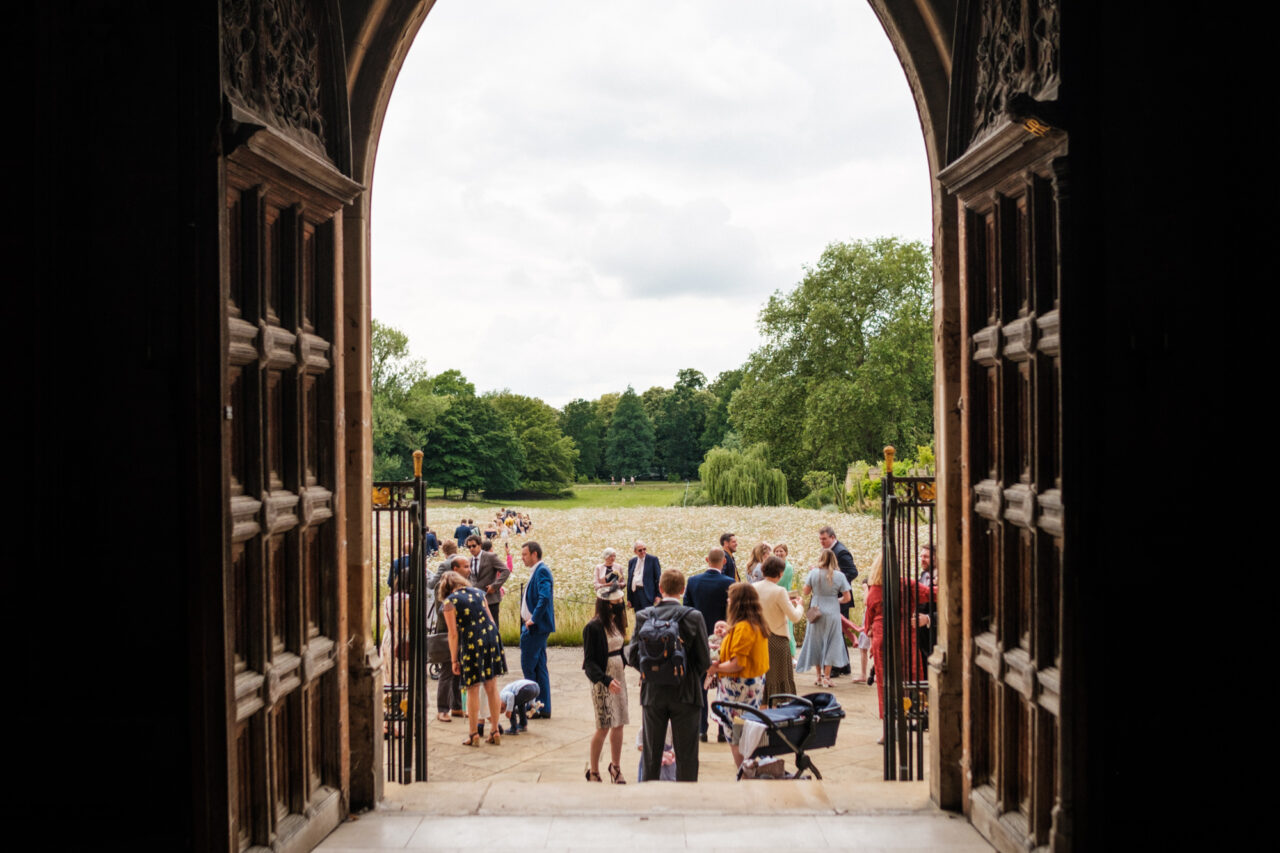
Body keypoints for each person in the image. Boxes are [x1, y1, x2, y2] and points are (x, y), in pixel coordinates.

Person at [628, 569, 710, 782]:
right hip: (686, 693)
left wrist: (650, 673)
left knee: (651, 755)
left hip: (653, 692)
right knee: (687, 756)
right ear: (683, 590)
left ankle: (650, 797)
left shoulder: (644, 615)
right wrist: (685, 675)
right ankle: (684, 801)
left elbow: (632, 655)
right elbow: (704, 660)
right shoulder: (694, 617)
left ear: (660, 589)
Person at [438, 570, 507, 746]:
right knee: (492, 686)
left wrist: (454, 659)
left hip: (471, 640)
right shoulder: (478, 592)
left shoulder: (449, 602)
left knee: (472, 688)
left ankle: (474, 734)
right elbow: (491, 620)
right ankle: (495, 731)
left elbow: (453, 635)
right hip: (491, 636)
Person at [705, 582, 769, 767]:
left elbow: (737, 664)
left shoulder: (743, 627)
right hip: (752, 685)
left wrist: (716, 668)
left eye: (731, 597)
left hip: (739, 688)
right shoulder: (756, 623)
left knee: (736, 734)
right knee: (745, 730)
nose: (727, 600)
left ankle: (744, 772)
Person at [683, 547, 733, 742]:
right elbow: (733, 613)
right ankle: (722, 729)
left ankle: (702, 728)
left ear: (706, 560)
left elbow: (687, 610)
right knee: (723, 686)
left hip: (699, 638)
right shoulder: (729, 583)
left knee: (700, 685)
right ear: (724, 562)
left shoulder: (693, 582)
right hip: (724, 640)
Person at [583, 592, 630, 783]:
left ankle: (615, 766)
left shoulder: (617, 622)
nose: (620, 605)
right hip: (603, 680)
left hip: (619, 677)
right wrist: (605, 679)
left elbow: (621, 650)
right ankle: (593, 770)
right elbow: (590, 662)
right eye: (616, 602)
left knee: (619, 723)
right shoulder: (593, 627)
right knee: (603, 725)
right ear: (605, 604)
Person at [795, 549, 853, 688]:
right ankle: (827, 676)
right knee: (832, 642)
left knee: (816, 642)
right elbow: (847, 598)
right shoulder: (839, 576)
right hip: (832, 611)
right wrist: (834, 600)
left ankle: (818, 676)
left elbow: (806, 591)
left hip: (816, 610)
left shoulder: (814, 573)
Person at [753, 555, 804, 703]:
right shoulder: (779, 591)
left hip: (758, 638)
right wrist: (799, 605)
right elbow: (794, 617)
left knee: (763, 679)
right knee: (780, 681)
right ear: (780, 573)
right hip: (777, 640)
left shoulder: (752, 587)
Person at [519, 541, 555, 719]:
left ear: (534, 554)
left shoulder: (541, 570)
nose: (522, 558)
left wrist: (533, 619)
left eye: (525, 554)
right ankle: (543, 707)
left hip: (535, 627)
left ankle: (532, 706)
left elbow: (545, 596)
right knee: (540, 667)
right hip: (535, 626)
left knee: (528, 667)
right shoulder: (538, 571)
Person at [434, 553, 471, 722]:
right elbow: (445, 618)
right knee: (447, 672)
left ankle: (456, 707)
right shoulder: (445, 595)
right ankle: (442, 709)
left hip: (461, 637)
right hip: (448, 637)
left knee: (459, 672)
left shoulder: (461, 592)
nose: (469, 570)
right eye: (465, 567)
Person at [818, 525, 858, 676]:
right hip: (833, 598)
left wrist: (835, 583)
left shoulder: (841, 551)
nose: (821, 542)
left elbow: (853, 572)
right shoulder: (828, 551)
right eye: (820, 539)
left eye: (824, 539)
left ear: (833, 537)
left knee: (834, 632)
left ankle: (835, 667)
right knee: (838, 632)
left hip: (840, 597)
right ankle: (844, 665)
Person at [467, 536, 512, 638]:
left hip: (490, 598)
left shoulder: (490, 557)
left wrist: (494, 586)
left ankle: (496, 651)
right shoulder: (469, 560)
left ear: (480, 545)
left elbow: (506, 571)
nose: (471, 549)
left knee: (493, 628)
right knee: (478, 629)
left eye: (474, 546)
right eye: (469, 547)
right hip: (475, 599)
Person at [772, 543, 799, 655]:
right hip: (776, 599)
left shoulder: (787, 567)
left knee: (787, 626)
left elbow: (778, 582)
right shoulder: (776, 566)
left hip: (783, 598)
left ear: (786, 553)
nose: (778, 553)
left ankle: (791, 653)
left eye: (781, 551)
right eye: (776, 551)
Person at [593, 547, 626, 627]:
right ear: (605, 557)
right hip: (603, 598)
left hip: (616, 597)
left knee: (618, 620)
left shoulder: (618, 567)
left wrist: (619, 584)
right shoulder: (598, 568)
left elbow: (623, 582)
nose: (613, 558)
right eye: (610, 556)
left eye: (614, 556)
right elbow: (596, 584)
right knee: (603, 619)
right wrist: (606, 585)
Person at [626, 540, 661, 612]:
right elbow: (630, 580)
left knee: (648, 617)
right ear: (635, 551)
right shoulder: (632, 561)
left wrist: (658, 595)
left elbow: (658, 578)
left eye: (644, 549)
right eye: (640, 550)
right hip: (635, 593)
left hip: (647, 593)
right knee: (638, 616)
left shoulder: (653, 559)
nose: (643, 552)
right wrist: (629, 598)